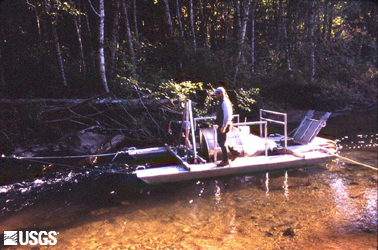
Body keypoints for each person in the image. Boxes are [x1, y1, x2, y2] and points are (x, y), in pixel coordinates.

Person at [213, 87, 240, 167]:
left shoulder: (224, 102)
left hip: (224, 124)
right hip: (222, 124)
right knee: (222, 141)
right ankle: (234, 152)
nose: (216, 95)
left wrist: (223, 126)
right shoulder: (222, 102)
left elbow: (227, 115)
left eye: (217, 94)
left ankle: (225, 161)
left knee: (221, 142)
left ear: (220, 94)